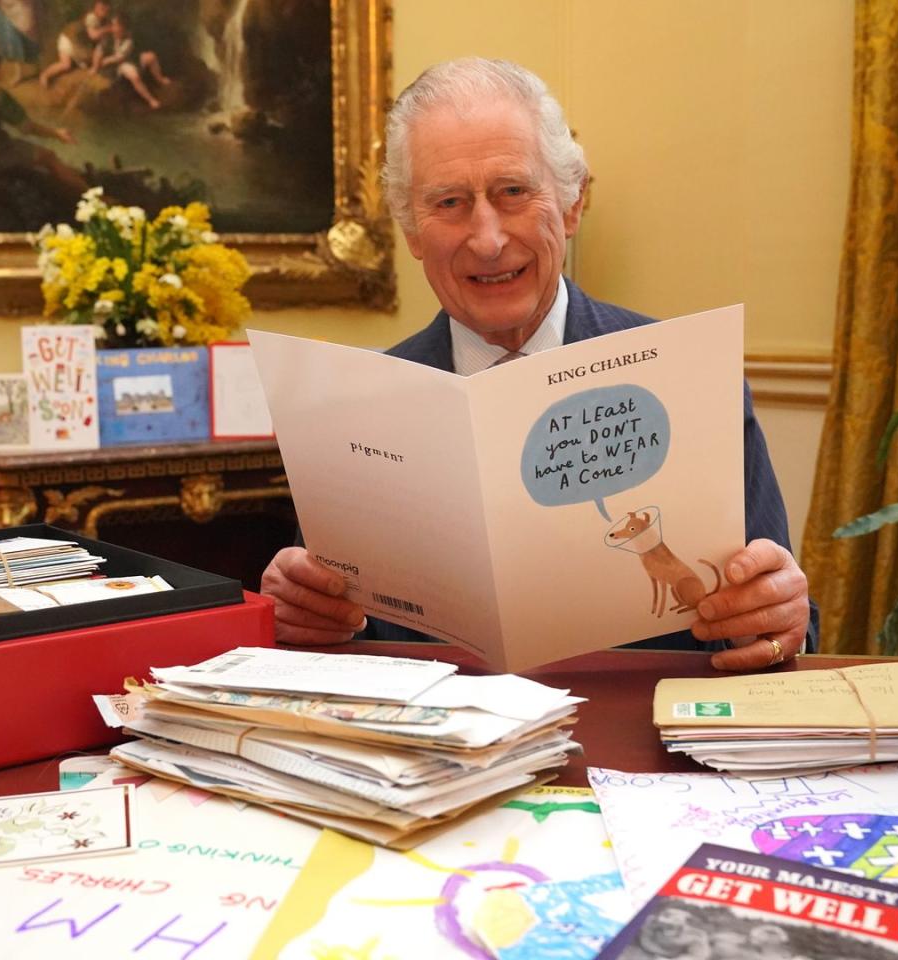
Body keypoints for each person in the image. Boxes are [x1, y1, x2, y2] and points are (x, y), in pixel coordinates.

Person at [261, 57, 818, 672]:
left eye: (513, 192)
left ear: (573, 204)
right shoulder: (358, 407)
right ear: (412, 232)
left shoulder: (691, 380)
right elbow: (324, 635)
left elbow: (785, 634)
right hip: (436, 757)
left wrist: (778, 620)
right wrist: (295, 614)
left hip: (640, 745)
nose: (488, 238)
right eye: (449, 202)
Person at [0, 50, 89, 198]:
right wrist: (56, 134)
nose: (4, 73)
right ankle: (96, 199)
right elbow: (26, 127)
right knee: (49, 157)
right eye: (1, 70)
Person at [92, 11, 170, 110]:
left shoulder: (128, 38)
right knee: (134, 76)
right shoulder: (108, 37)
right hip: (119, 65)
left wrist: (107, 59)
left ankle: (160, 79)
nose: (113, 28)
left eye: (116, 25)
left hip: (125, 58)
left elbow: (120, 56)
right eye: (112, 25)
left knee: (151, 56)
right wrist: (96, 66)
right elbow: (99, 50)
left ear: (123, 27)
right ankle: (151, 100)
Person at [39, 0, 112, 89]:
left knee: (84, 63)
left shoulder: (105, 22)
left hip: (79, 44)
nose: (104, 11)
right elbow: (93, 35)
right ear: (96, 6)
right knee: (66, 65)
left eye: (106, 9)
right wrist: (108, 29)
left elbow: (100, 44)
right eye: (102, 8)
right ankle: (45, 75)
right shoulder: (91, 17)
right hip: (69, 39)